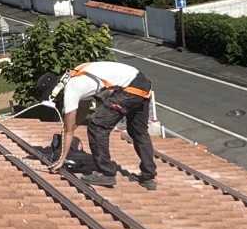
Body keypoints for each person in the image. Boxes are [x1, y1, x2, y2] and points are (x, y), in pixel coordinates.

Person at [35, 61, 157, 189]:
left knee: (97, 127)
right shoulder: (77, 75)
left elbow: (68, 130)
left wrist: (61, 160)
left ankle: (106, 173)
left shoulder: (71, 89)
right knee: (138, 131)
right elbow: (82, 112)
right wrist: (70, 129)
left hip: (129, 90)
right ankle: (149, 177)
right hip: (143, 84)